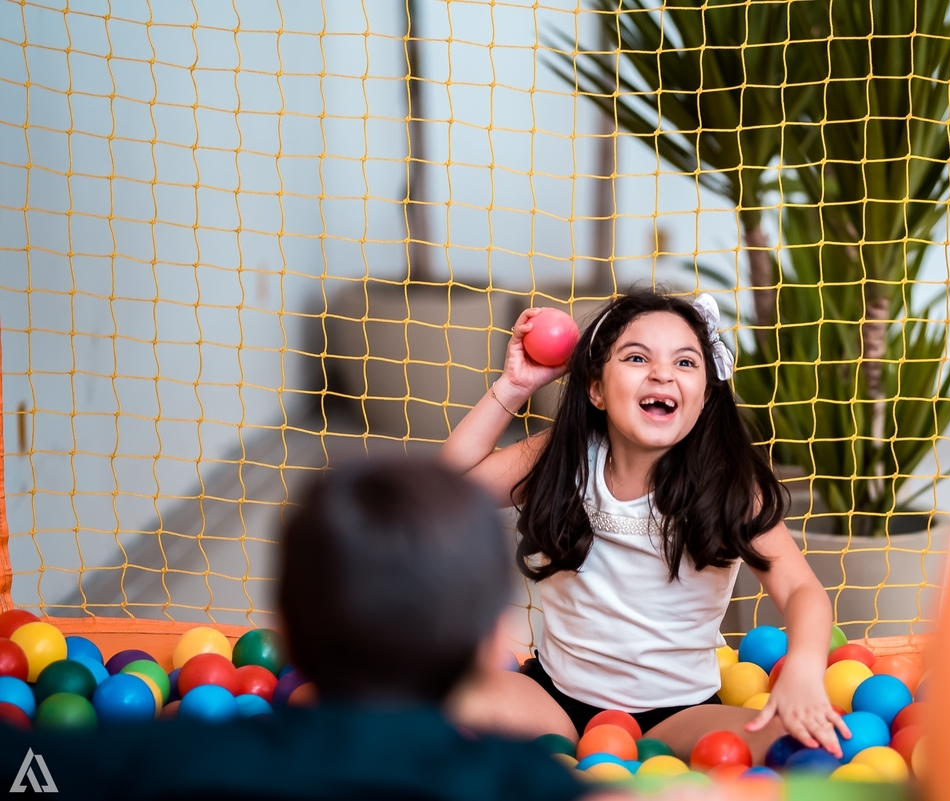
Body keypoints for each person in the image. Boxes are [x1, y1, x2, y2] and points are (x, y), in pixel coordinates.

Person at [0, 459, 593, 801]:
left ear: (281, 623)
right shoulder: (520, 782)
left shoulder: (188, 758)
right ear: (495, 638)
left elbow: (32, 770)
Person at [442, 290, 851, 763]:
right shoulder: (564, 458)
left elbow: (802, 589)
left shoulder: (729, 488)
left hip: (679, 715)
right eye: (637, 357)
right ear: (595, 388)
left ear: (705, 394)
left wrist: (801, 670)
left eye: (685, 363)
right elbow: (445, 488)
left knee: (808, 748)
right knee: (423, 705)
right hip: (554, 701)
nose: (662, 373)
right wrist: (514, 387)